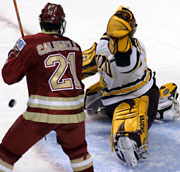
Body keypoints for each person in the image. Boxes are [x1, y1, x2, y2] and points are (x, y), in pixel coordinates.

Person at [0, 3, 94, 172]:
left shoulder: (29, 44)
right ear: (61, 24)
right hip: (75, 116)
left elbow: (9, 76)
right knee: (79, 155)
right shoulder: (75, 47)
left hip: (41, 115)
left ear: (41, 22)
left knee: (5, 155)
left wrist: (15, 54)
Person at [82, 6, 159, 168]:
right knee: (150, 97)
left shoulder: (100, 45)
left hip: (110, 103)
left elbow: (83, 65)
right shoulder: (138, 47)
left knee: (107, 86)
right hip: (143, 95)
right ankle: (133, 137)